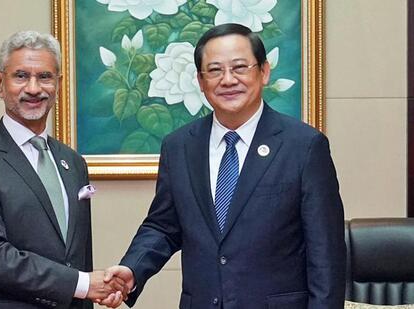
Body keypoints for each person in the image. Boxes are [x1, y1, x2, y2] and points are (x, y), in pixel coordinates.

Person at [103, 23, 346, 309]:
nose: (228, 80)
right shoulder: (179, 146)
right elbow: (163, 226)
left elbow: (326, 255)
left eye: (240, 67)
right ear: (200, 80)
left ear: (264, 71)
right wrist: (133, 268)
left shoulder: (304, 146)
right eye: (215, 70)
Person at [0, 31, 127, 309]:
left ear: (59, 84)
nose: (33, 88)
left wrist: (95, 289)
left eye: (44, 77)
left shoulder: (72, 162)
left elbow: (76, 257)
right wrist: (83, 284)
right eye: (20, 76)